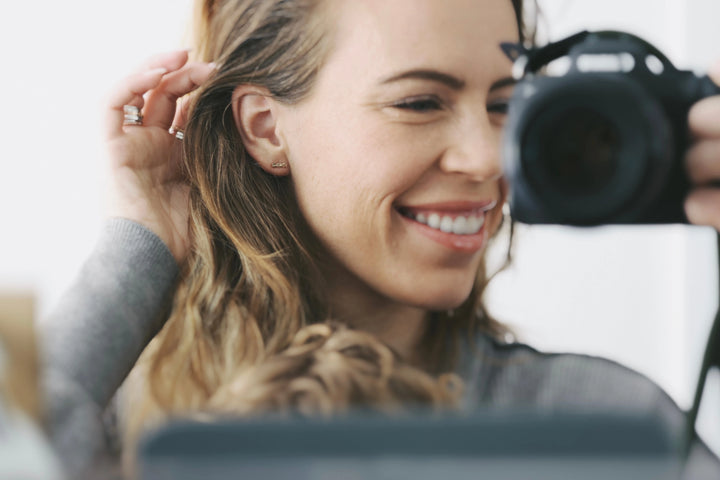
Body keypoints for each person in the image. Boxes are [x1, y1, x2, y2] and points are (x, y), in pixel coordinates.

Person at [38, 0, 720, 478]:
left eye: (504, 105)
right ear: (266, 128)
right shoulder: (123, 433)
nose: (487, 161)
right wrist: (136, 248)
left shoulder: (609, 428)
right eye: (420, 103)